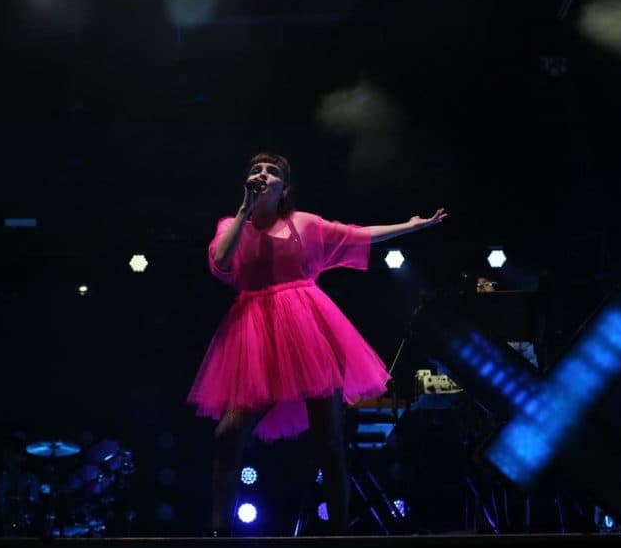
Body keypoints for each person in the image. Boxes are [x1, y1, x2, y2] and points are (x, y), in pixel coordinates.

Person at [187, 152, 446, 536]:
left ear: (285, 189)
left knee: (329, 440)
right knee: (228, 433)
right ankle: (218, 534)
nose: (262, 174)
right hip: (255, 334)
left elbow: (356, 234)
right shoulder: (232, 224)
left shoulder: (303, 224)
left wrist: (410, 226)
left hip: (308, 328)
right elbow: (221, 262)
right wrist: (244, 209)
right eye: (256, 170)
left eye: (271, 171)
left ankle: (338, 534)